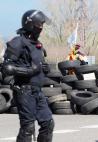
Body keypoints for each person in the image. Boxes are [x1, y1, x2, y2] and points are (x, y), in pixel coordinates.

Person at [2, 10, 54, 142]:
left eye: (42, 24)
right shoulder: (17, 42)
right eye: (39, 24)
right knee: (28, 127)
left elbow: (39, 66)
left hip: (38, 91)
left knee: (48, 124)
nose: (41, 28)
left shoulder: (38, 45)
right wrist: (30, 71)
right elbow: (7, 68)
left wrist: (45, 69)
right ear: (30, 24)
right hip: (24, 90)